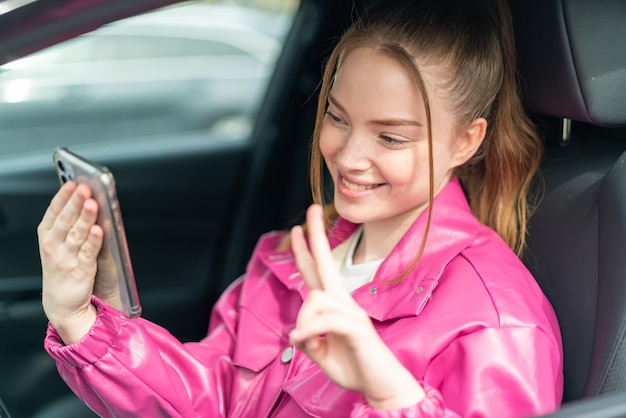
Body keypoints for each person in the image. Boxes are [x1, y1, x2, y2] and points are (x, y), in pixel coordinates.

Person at [37, 0, 564, 416]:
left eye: (390, 137)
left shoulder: (496, 326)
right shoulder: (290, 260)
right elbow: (214, 401)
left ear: (465, 142)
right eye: (338, 118)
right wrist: (79, 319)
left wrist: (389, 393)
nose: (350, 157)